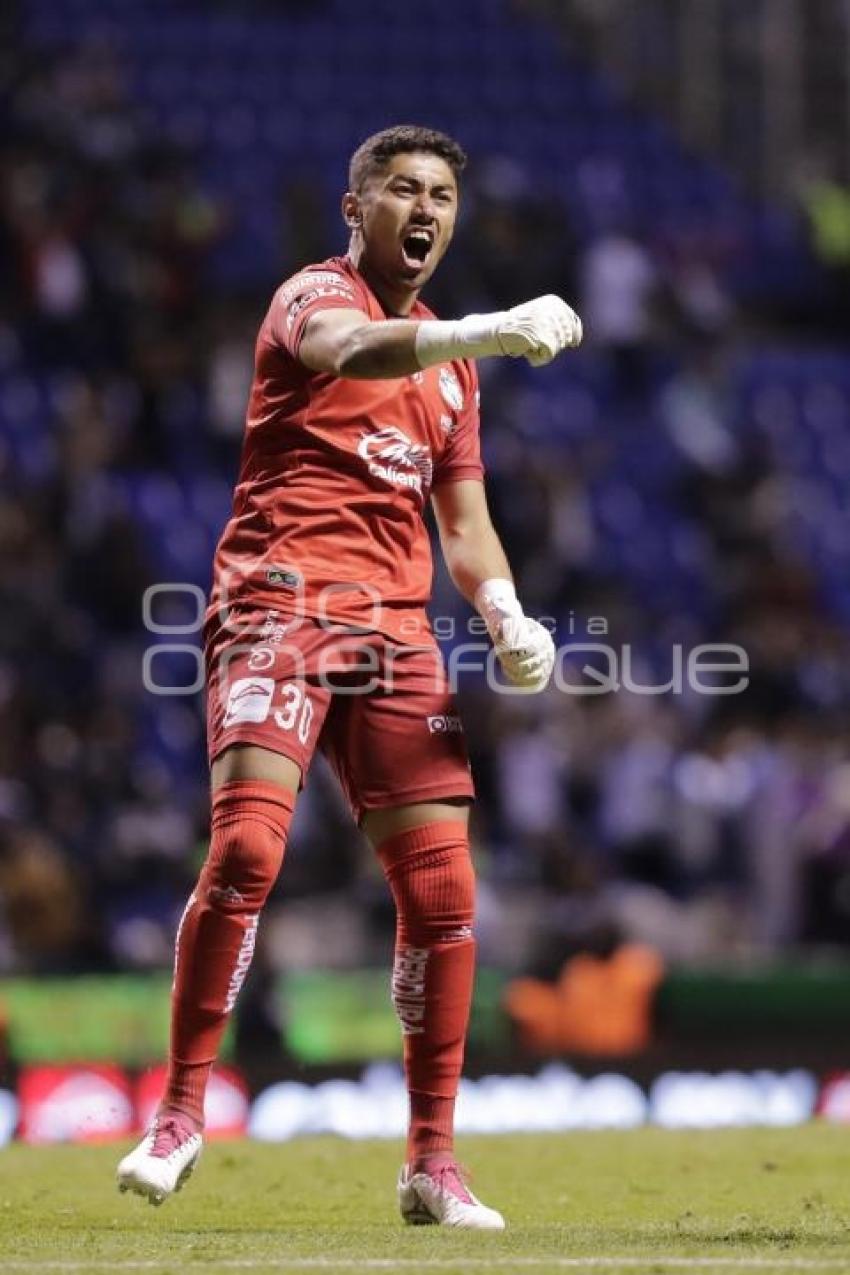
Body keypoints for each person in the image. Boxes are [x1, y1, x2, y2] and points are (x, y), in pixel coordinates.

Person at [117, 124, 581, 1229]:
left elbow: (463, 521)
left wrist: (506, 611)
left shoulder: (456, 373)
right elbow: (351, 352)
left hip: (396, 633)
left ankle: (431, 1161)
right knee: (244, 847)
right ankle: (180, 1113)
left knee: (443, 894)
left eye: (440, 196)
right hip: (279, 604)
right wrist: (486, 328)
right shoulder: (307, 297)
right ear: (354, 205)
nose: (424, 210)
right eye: (401, 189)